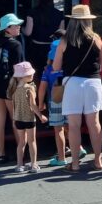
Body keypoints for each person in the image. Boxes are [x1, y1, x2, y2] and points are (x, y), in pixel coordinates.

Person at [53, 5, 102, 171]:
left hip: (73, 83)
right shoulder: (96, 38)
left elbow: (56, 67)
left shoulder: (64, 41)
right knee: (94, 123)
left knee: (74, 126)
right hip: (93, 83)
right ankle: (98, 160)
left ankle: (75, 163)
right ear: (88, 21)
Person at [0, 13, 26, 162]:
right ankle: (20, 151)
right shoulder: (16, 45)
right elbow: (19, 69)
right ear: (8, 29)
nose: (19, 26)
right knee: (15, 119)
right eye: (16, 25)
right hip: (11, 86)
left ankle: (1, 154)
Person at [6, 61, 48, 173]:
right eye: (31, 74)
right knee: (32, 141)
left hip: (18, 119)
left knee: (21, 142)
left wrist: (14, 119)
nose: (33, 75)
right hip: (29, 118)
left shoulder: (13, 89)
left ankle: (19, 165)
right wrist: (40, 116)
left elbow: (14, 106)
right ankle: (34, 164)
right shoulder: (29, 88)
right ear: (24, 76)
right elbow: (33, 105)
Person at [36, 38, 71, 167]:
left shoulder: (48, 70)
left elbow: (42, 89)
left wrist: (40, 104)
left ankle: (61, 158)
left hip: (55, 101)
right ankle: (78, 152)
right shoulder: (69, 67)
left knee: (59, 130)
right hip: (71, 100)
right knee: (71, 128)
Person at [24, 0, 65, 75]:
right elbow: (61, 33)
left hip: (36, 48)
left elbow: (28, 32)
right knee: (51, 73)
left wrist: (21, 29)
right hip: (53, 48)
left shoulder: (32, 12)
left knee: (37, 74)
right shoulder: (59, 14)